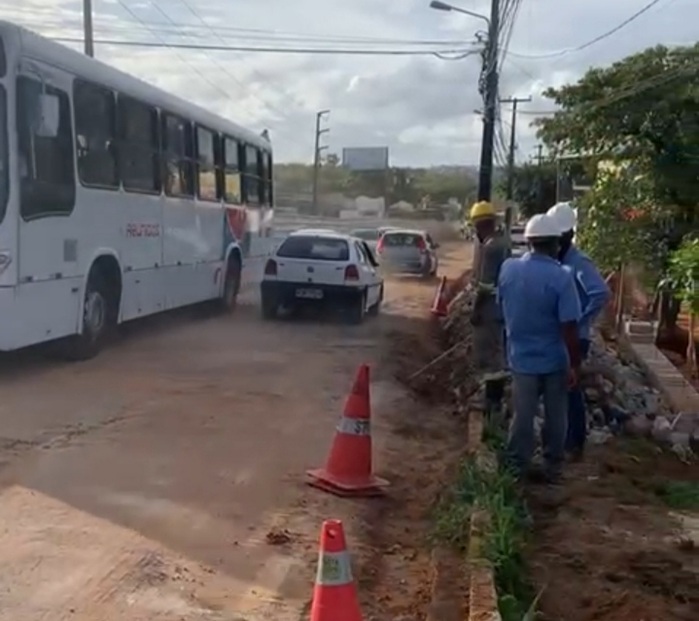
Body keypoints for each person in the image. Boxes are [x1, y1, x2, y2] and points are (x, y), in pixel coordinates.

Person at [497, 213, 582, 483]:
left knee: (523, 414)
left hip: (520, 357)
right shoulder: (561, 277)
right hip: (554, 359)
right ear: (555, 244)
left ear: (529, 241)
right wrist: (574, 364)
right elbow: (569, 326)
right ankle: (552, 467)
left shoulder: (508, 269)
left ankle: (516, 466)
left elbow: (504, 309)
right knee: (556, 416)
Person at [547, 202, 611, 459]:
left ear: (568, 236)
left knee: (571, 389)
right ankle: (562, 440)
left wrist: (580, 321)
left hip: (574, 336)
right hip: (560, 334)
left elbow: (600, 292)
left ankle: (574, 444)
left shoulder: (578, 262)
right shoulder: (558, 260)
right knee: (562, 388)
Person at [469, 200, 511, 421]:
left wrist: (475, 310)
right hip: (499, 308)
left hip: (489, 309)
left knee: (489, 357)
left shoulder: (491, 247)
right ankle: (493, 400)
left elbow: (485, 285)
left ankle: (491, 403)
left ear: (479, 225)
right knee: (496, 354)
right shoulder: (502, 242)